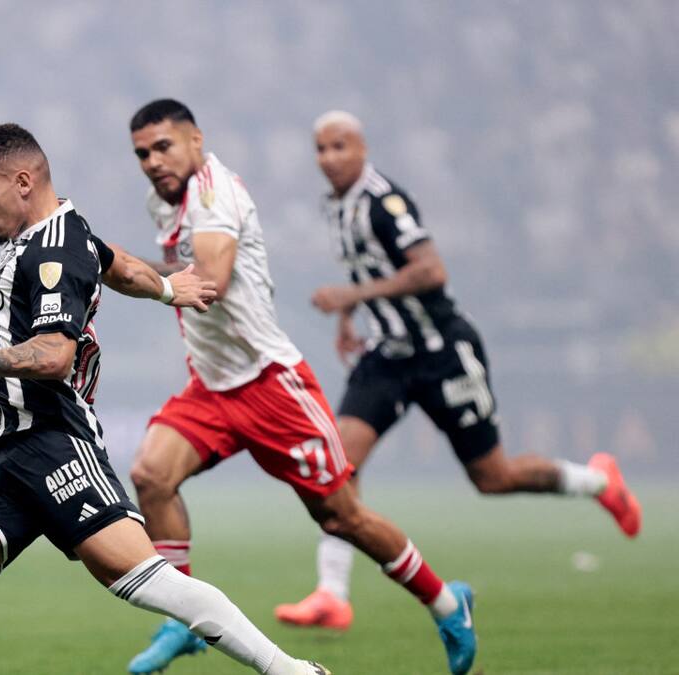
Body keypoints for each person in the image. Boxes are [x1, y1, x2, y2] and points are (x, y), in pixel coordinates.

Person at [0, 123, 329, 675]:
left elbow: (55, 356)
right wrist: (170, 287)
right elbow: (117, 263)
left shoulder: (53, 248)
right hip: (9, 456)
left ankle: (290, 671)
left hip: (55, 443)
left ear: (24, 182)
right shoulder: (61, 235)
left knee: (150, 581)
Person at [121, 99, 477, 675]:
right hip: (211, 386)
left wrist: (119, 267)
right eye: (141, 153)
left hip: (271, 385)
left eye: (163, 146)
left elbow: (208, 282)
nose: (152, 161)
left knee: (342, 518)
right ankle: (180, 621)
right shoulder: (160, 201)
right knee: (150, 476)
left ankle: (446, 602)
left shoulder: (215, 195)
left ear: (195, 140)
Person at [275, 110, 642, 632]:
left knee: (493, 477)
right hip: (388, 355)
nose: (329, 158)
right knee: (338, 467)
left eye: (339, 146)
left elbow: (430, 270)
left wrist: (350, 296)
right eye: (320, 149)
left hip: (442, 350)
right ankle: (332, 595)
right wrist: (349, 316)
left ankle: (596, 480)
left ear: (362, 148)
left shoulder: (384, 202)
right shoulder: (335, 205)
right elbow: (365, 268)